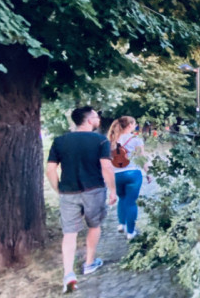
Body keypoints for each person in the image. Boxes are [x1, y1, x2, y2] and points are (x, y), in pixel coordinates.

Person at [46, 106, 117, 294]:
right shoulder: (100, 140)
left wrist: (58, 189)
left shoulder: (60, 141)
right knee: (94, 226)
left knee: (69, 233)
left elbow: (50, 170)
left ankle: (68, 274)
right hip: (94, 190)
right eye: (96, 117)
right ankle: (89, 263)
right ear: (88, 120)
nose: (99, 119)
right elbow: (107, 168)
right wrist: (113, 191)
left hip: (68, 193)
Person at [107, 116, 151, 240]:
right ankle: (130, 232)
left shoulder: (111, 140)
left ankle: (121, 224)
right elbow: (142, 158)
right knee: (131, 203)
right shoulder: (136, 139)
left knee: (122, 199)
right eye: (134, 124)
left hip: (117, 175)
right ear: (130, 125)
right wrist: (148, 173)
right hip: (133, 174)